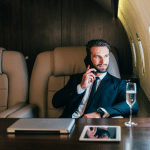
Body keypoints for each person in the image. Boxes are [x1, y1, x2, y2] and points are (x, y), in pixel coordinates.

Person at [52, 39, 139, 118]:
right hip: (69, 124)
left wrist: (100, 113)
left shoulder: (119, 84)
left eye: (106, 56)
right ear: (88, 59)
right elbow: (55, 102)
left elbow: (133, 105)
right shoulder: (76, 78)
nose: (103, 61)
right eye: (97, 56)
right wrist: (81, 87)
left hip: (94, 129)